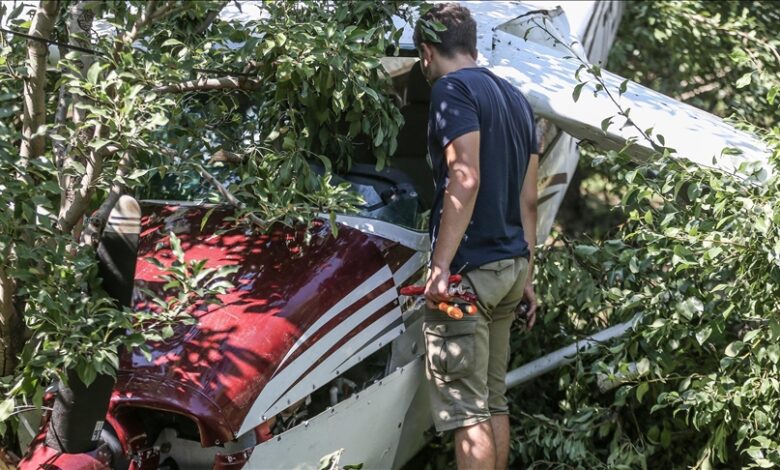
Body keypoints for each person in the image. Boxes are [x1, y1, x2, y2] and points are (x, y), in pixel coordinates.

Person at [413, 3, 539, 469]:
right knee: (493, 400)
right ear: (471, 43)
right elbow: (530, 199)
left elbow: (463, 177)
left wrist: (441, 265)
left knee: (467, 412)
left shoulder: (452, 89)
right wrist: (527, 273)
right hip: (510, 269)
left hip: (470, 275)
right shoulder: (516, 99)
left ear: (427, 52)